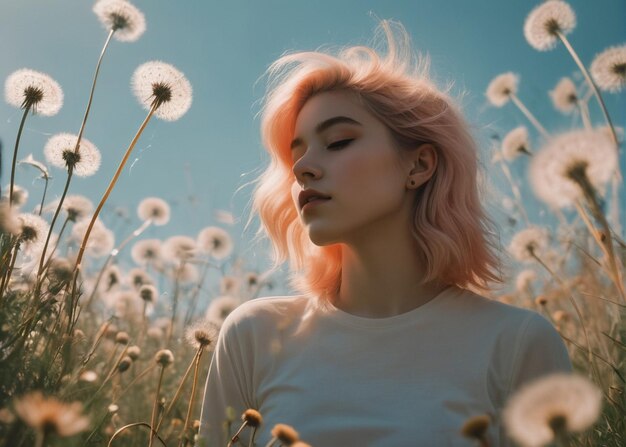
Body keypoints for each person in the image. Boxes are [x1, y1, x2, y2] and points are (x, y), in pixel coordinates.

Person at [199, 20, 572, 447]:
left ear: (419, 166)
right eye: (295, 154)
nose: (302, 169)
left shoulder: (516, 344)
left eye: (338, 141)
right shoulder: (253, 336)